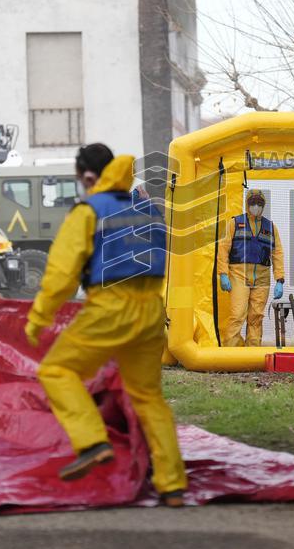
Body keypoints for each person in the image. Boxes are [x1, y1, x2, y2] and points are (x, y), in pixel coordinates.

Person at [24, 143, 187, 506]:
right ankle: (172, 484)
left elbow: (61, 274)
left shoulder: (89, 211)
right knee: (149, 398)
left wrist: (38, 319)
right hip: (151, 312)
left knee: (56, 371)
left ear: (86, 176)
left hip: (110, 308)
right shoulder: (148, 210)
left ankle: (93, 442)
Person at [217, 189, 285, 347]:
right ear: (247, 204)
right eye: (253, 203)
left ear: (264, 205)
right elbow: (223, 249)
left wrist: (280, 279)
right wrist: (223, 274)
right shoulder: (234, 223)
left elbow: (277, 253)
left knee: (256, 316)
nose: (256, 206)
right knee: (237, 314)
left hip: (262, 277)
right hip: (238, 275)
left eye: (259, 203)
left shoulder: (271, 227)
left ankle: (252, 352)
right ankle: (231, 354)